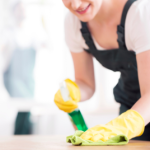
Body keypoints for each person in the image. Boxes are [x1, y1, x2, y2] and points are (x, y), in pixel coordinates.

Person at [54, 0, 150, 141]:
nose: (75, 5)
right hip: (131, 108)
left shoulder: (141, 13)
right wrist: (72, 91)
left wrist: (125, 125)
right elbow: (86, 82)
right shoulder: (74, 23)